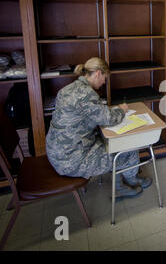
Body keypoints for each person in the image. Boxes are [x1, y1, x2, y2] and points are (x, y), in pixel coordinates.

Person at [46, 57, 152, 199]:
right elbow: (108, 119)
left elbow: (89, 115)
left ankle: (126, 181)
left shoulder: (68, 89)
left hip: (58, 153)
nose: (104, 82)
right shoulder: (85, 94)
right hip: (71, 161)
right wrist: (121, 110)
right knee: (126, 147)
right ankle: (126, 183)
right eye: (104, 78)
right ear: (97, 74)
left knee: (113, 142)